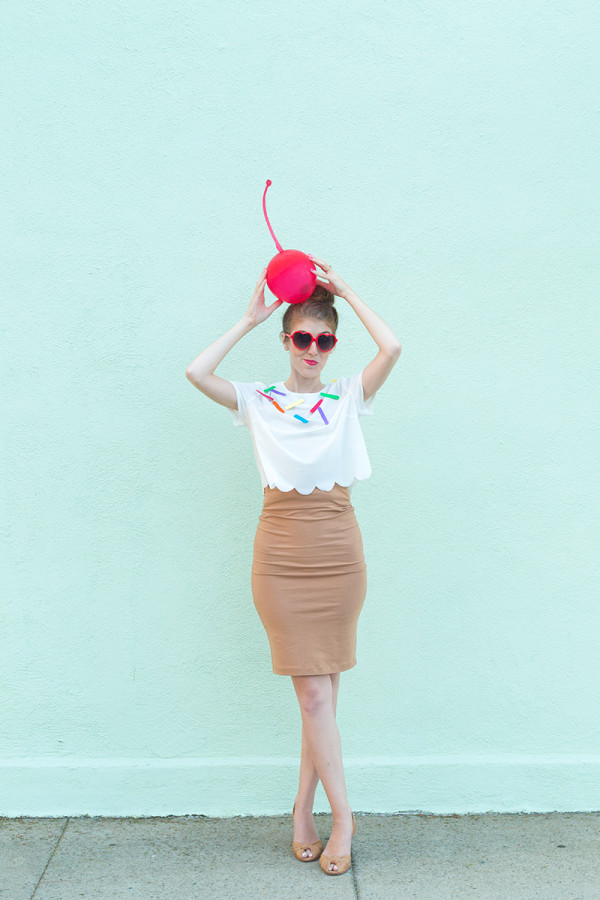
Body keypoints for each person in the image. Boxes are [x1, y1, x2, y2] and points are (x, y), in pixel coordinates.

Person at [185, 255, 401, 875]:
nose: (313, 348)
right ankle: (344, 815)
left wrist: (347, 290)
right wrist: (251, 317)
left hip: (338, 551)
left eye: (324, 340)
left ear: (333, 345)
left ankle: (306, 809)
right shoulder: (259, 400)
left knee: (322, 694)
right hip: (280, 554)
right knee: (313, 693)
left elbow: (394, 345)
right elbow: (197, 371)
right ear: (287, 340)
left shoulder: (346, 397)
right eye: (302, 337)